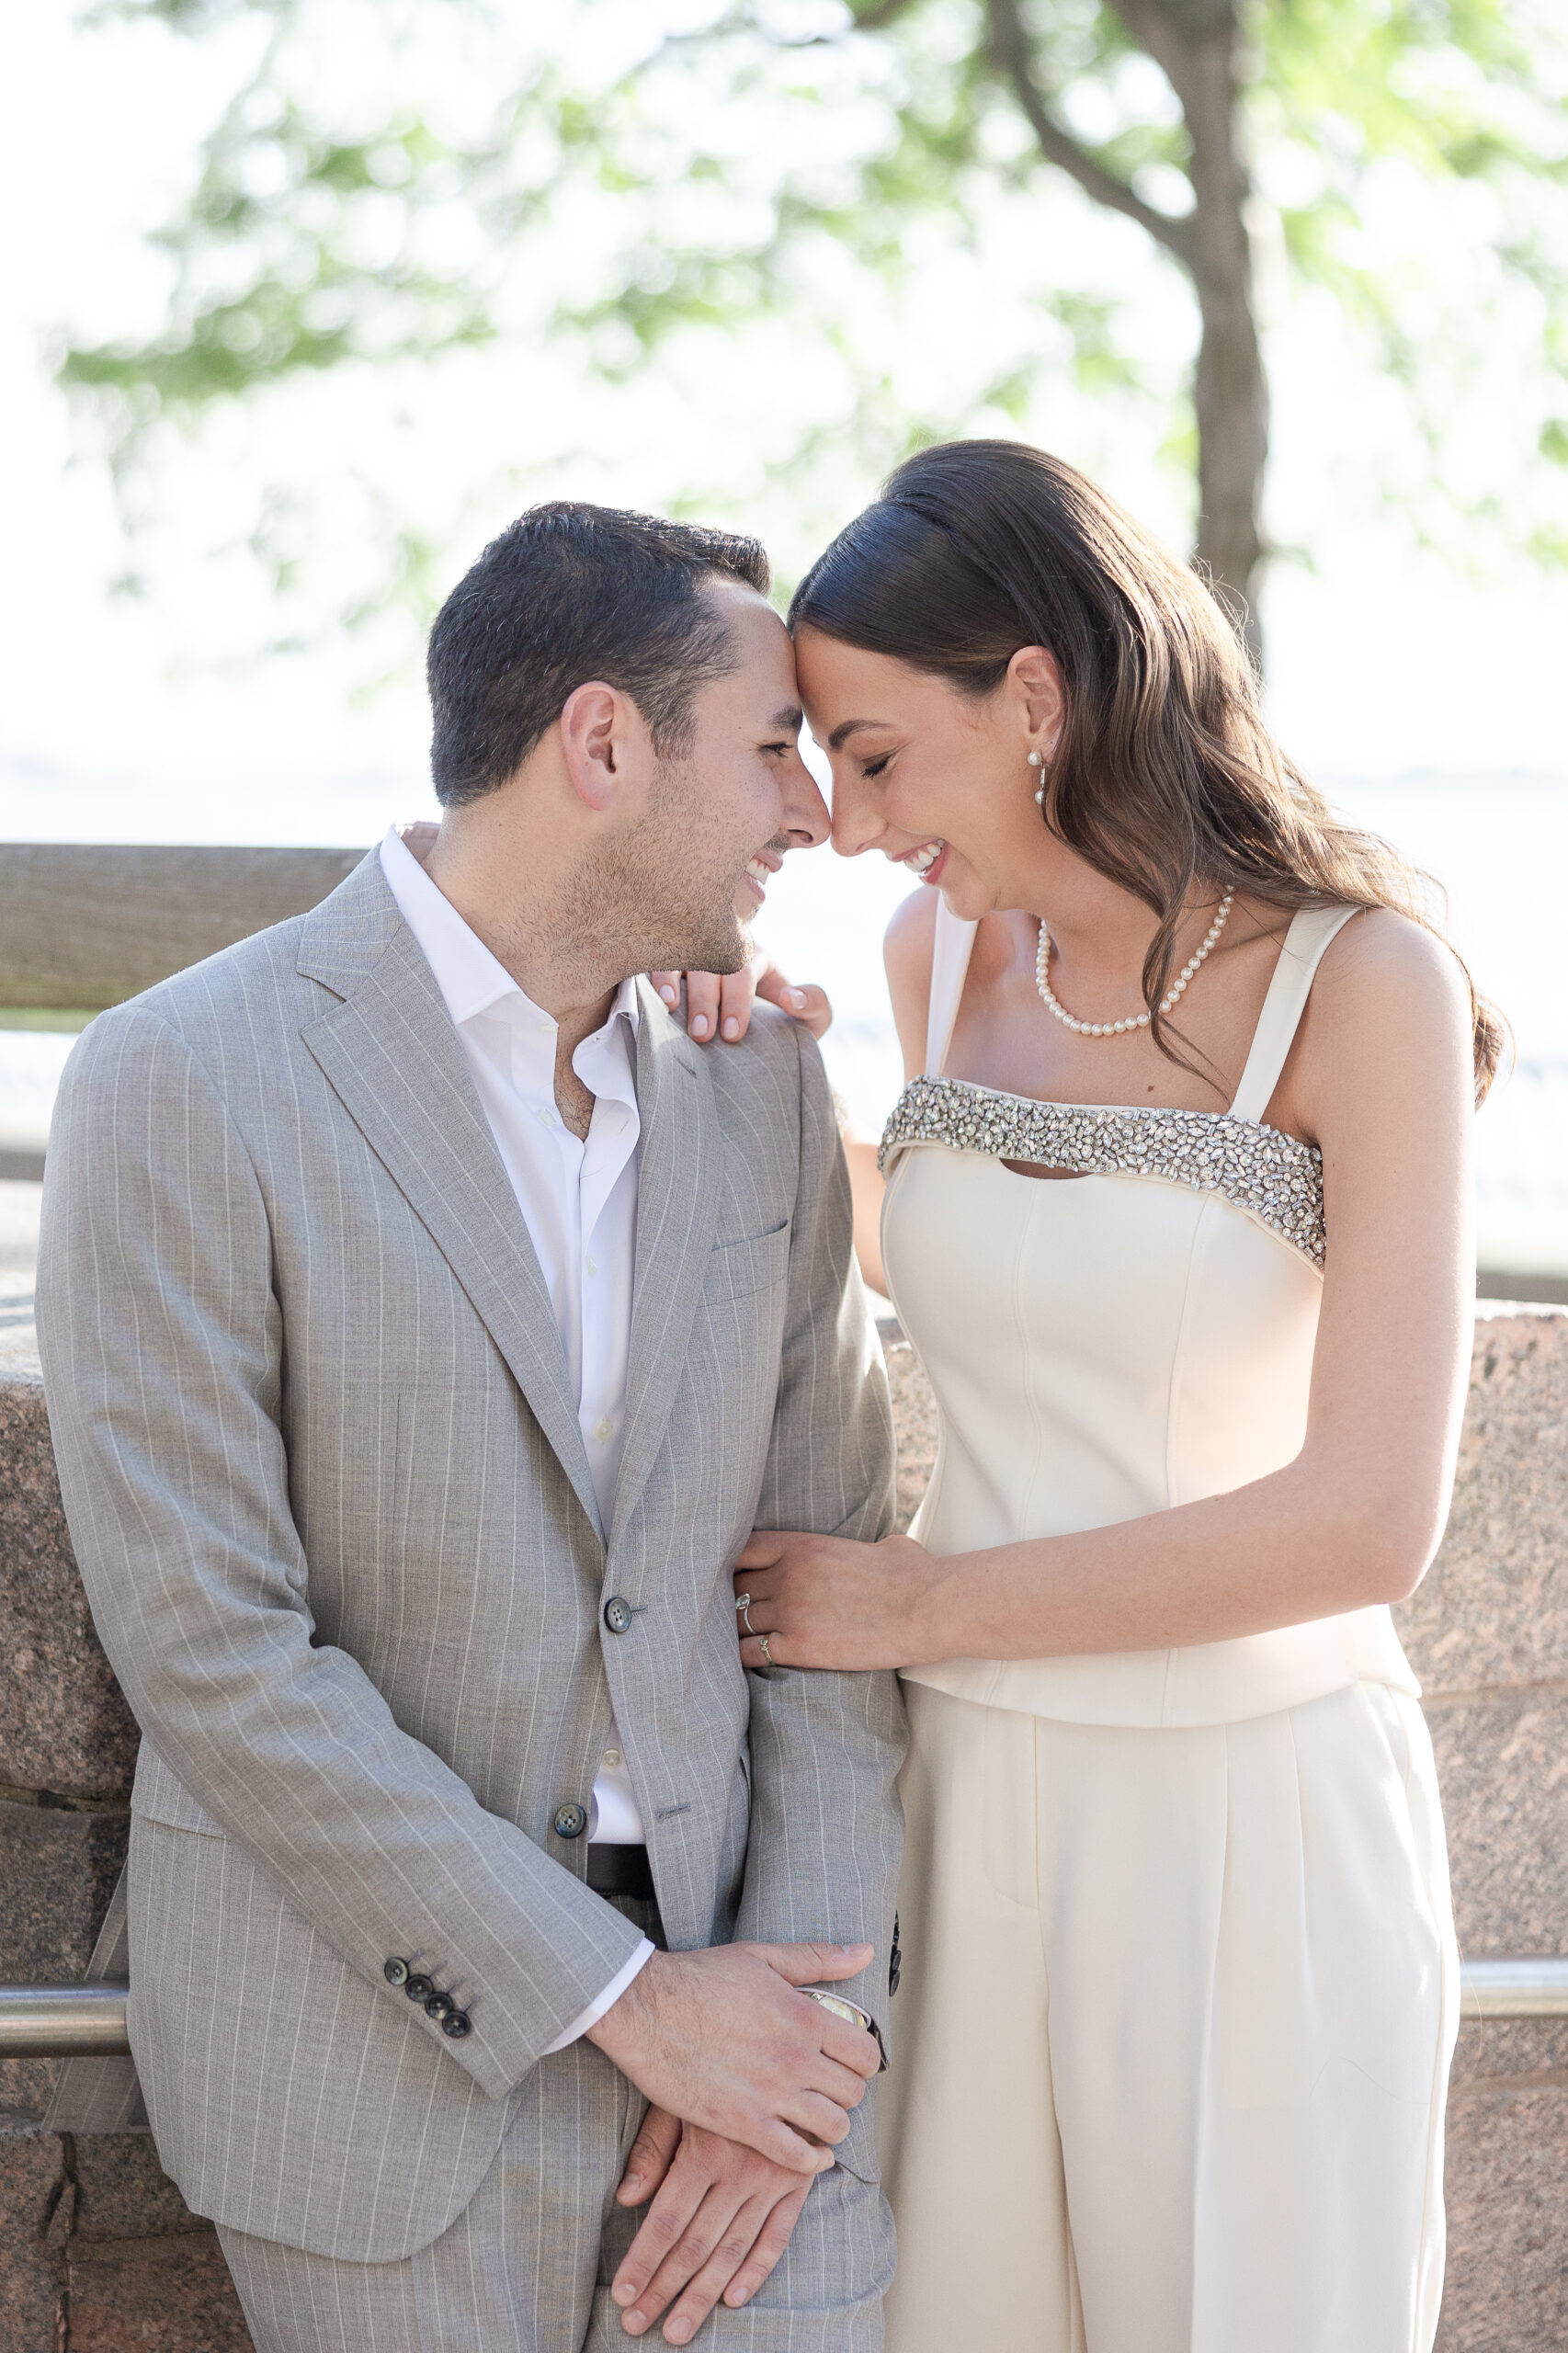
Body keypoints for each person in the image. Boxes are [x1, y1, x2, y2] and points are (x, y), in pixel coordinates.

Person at [36, 503, 904, 2353]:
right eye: (770, 748)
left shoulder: (762, 1086)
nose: (816, 811)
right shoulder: (183, 1075)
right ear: (600, 742)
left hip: (758, 2077)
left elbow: (833, 1580)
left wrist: (817, 2034)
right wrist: (614, 1994)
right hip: (371, 2075)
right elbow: (214, 1645)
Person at [704, 441, 1492, 2351]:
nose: (855, 822)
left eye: (878, 753)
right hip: (965, 1807)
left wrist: (919, 1603)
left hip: (1254, 1829)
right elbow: (1001, 1274)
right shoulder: (935, 951)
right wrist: (760, 1105)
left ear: (1035, 697)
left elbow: (1371, 1516)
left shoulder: (1359, 982)